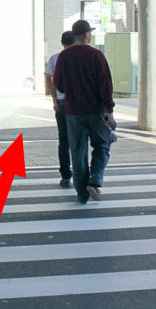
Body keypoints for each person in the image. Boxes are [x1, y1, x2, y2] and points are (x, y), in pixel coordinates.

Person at [53, 19, 115, 205]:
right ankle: (95, 180)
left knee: (78, 151)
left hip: (73, 112)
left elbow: (59, 85)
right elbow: (106, 85)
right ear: (87, 34)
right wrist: (110, 112)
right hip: (96, 111)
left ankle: (82, 194)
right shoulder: (97, 55)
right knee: (103, 144)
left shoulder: (64, 56)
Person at [45, 31, 75, 188]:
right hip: (79, 105)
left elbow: (48, 78)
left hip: (62, 104)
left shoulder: (55, 58)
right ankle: (81, 174)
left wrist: (55, 99)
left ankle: (65, 175)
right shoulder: (80, 57)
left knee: (64, 141)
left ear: (62, 42)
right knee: (80, 140)